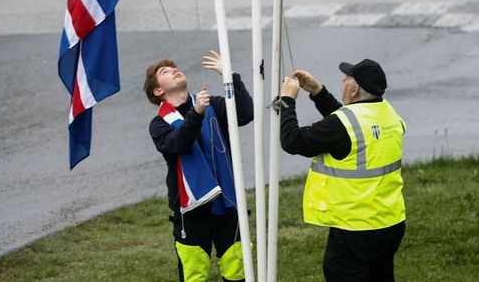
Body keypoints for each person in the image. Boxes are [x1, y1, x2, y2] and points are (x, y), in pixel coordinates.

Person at [279, 58, 407, 282]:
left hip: (354, 229)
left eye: (347, 78)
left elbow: (293, 141)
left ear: (355, 89)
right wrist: (318, 91)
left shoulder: (343, 126)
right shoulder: (387, 113)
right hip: (390, 223)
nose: (343, 80)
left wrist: (287, 100)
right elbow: (348, 123)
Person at [143, 50, 253, 282]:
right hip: (192, 211)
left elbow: (245, 114)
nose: (174, 70)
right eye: (165, 72)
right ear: (158, 91)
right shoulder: (159, 124)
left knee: (238, 273)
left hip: (227, 204)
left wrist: (229, 75)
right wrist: (197, 113)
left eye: (174, 67)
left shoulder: (211, 103)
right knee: (194, 276)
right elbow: (178, 143)